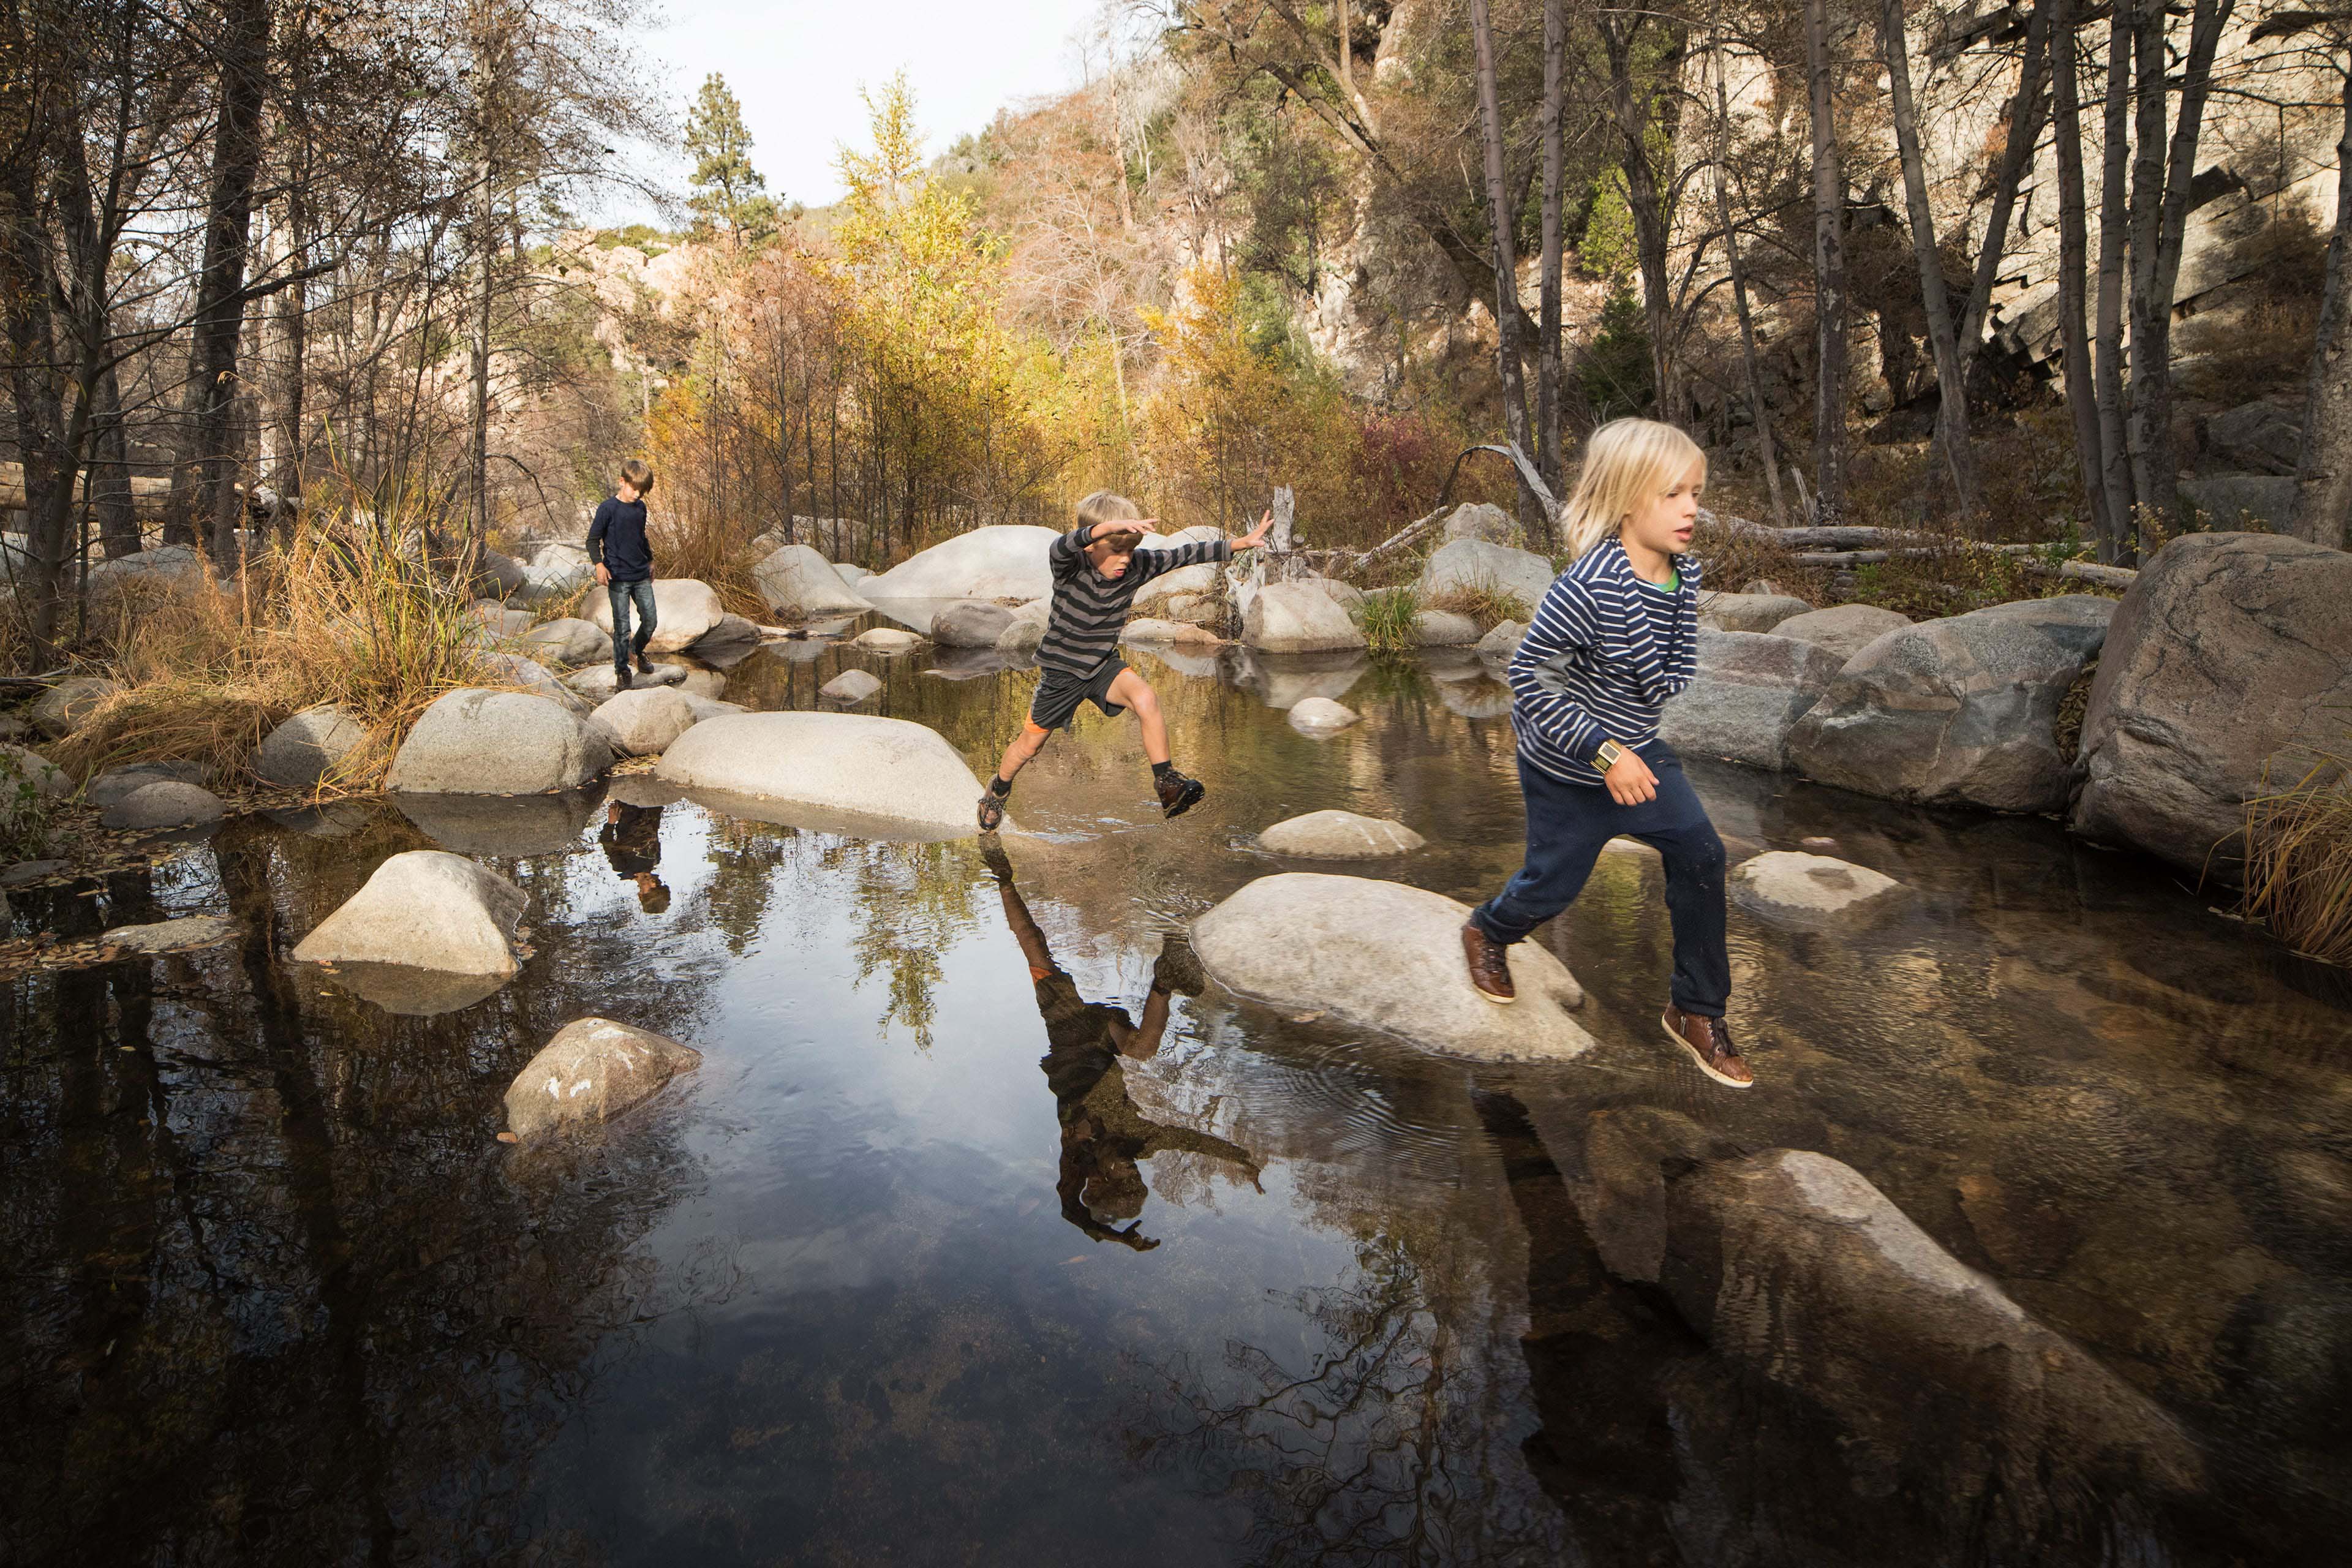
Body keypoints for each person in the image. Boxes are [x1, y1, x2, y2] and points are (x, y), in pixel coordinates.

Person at [1458, 418, 1752, 1089]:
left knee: (1703, 854)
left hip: (1640, 751)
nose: (1691, 509)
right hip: (1570, 766)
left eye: (1696, 492)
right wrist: (1602, 752)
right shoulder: (1585, 587)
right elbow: (1529, 678)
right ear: (1626, 499)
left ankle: (1695, 1008)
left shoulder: (1680, 579)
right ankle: (1488, 931)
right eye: (1672, 494)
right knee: (1553, 887)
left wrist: (1627, 750)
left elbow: (1659, 672)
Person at [983, 841, 1261, 1250]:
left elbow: (1069, 1209)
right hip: (1109, 1040)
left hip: (1071, 1030)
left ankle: (1002, 879)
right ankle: (1164, 980)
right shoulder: (1138, 1140)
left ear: (1095, 1178)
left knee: (1034, 948)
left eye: (1122, 1175)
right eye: (1136, 1175)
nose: (1130, 1168)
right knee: (1142, 1049)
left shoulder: (1076, 1157)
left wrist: (1110, 1236)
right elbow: (1189, 1140)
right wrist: (1240, 1156)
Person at [976, 491, 1273, 832]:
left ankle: (1167, 785)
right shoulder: (1070, 566)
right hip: (1061, 674)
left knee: (1146, 698)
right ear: (1092, 546)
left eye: (1130, 550)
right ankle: (997, 789)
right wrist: (1107, 527)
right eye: (1116, 550)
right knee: (1029, 747)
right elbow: (1060, 546)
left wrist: (1239, 544)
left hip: (1103, 666)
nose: (1124, 559)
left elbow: (1184, 555)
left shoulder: (1137, 565)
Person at [587, 459, 658, 690]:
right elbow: (592, 540)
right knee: (622, 627)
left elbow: (641, 537)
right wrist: (599, 564)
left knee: (650, 620)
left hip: (640, 574)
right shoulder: (607, 509)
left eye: (642, 491)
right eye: (634, 488)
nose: (638, 494)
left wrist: (650, 559)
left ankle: (635, 651)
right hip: (618, 577)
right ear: (622, 482)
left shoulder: (640, 508)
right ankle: (622, 670)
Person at [599, 799, 670, 914]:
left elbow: (607, 842)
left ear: (640, 895)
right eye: (659, 885)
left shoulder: (623, 867)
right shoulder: (656, 859)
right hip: (652, 806)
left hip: (628, 810)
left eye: (651, 889)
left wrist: (611, 822)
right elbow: (654, 830)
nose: (654, 883)